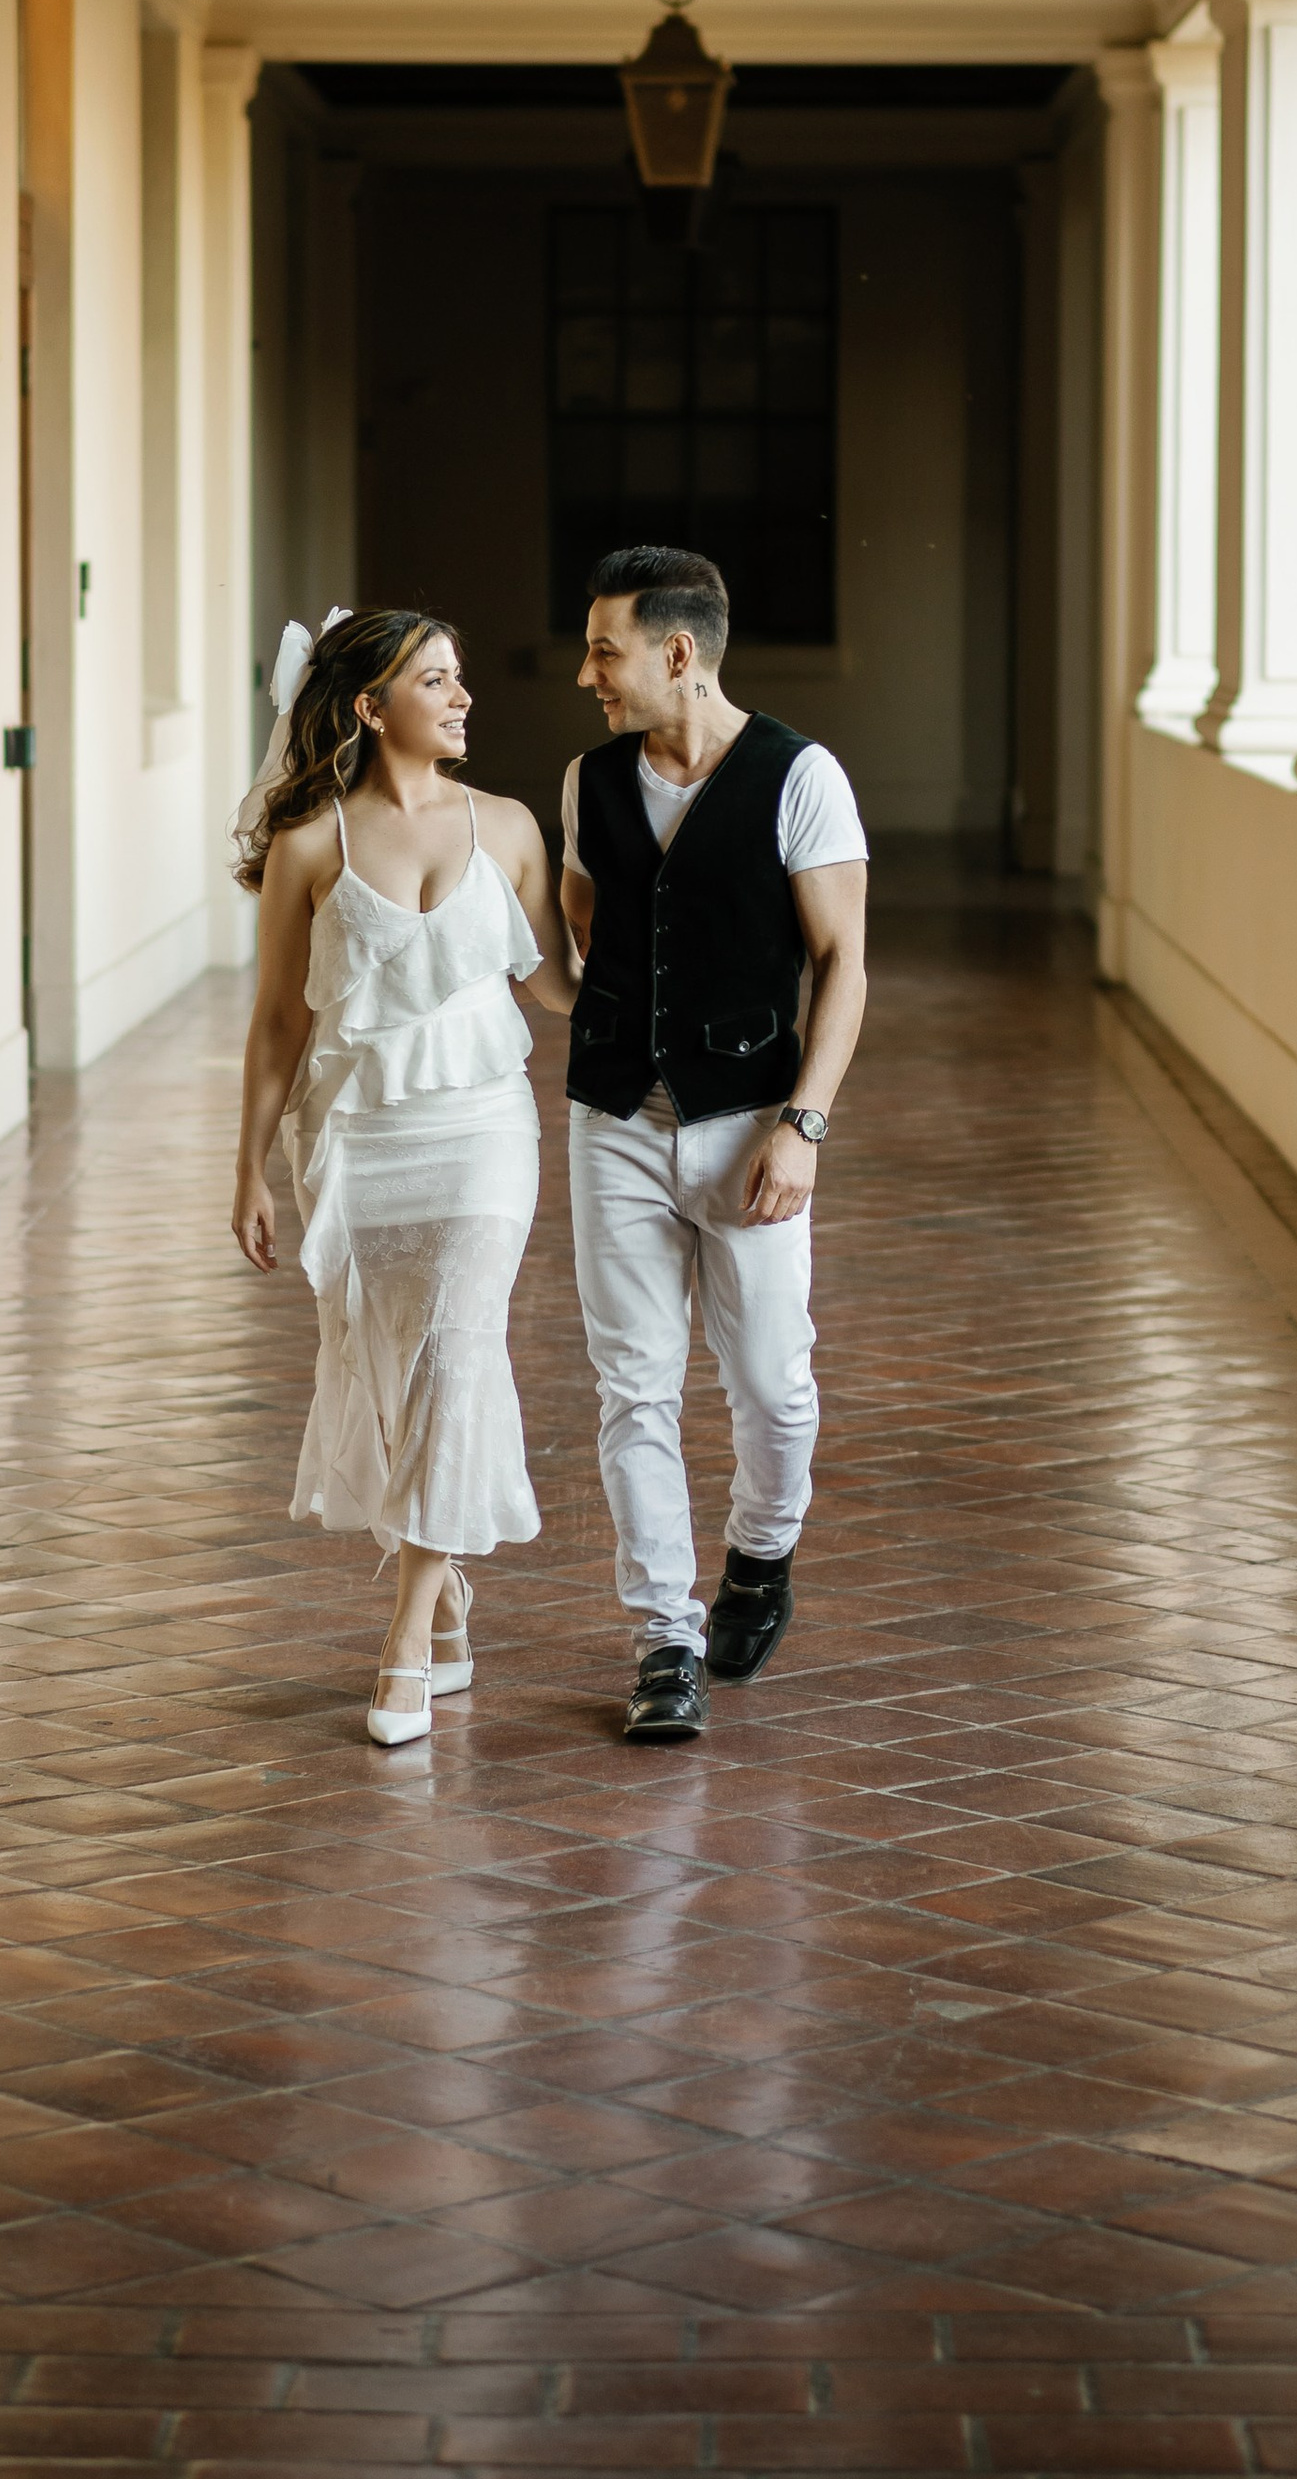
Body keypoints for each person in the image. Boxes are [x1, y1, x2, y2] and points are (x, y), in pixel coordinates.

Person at [232, 606, 574, 1748]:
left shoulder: (512, 829)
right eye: (436, 680)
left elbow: (560, 990)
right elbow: (279, 1020)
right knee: (386, 1373)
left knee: (458, 1352)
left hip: (482, 1132)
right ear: (372, 708)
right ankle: (450, 1590)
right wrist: (249, 1169)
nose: (463, 696)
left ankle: (403, 1642)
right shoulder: (310, 846)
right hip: (356, 1141)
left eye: (460, 676)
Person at [558, 544, 869, 1743]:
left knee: (772, 1387)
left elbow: (842, 966)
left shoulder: (800, 778)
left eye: (604, 648)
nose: (590, 672)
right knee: (634, 1386)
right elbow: (592, 938)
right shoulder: (589, 782)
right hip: (614, 1120)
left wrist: (803, 1126)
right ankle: (663, 1642)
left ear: (675, 653)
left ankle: (761, 1550)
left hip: (750, 1123)